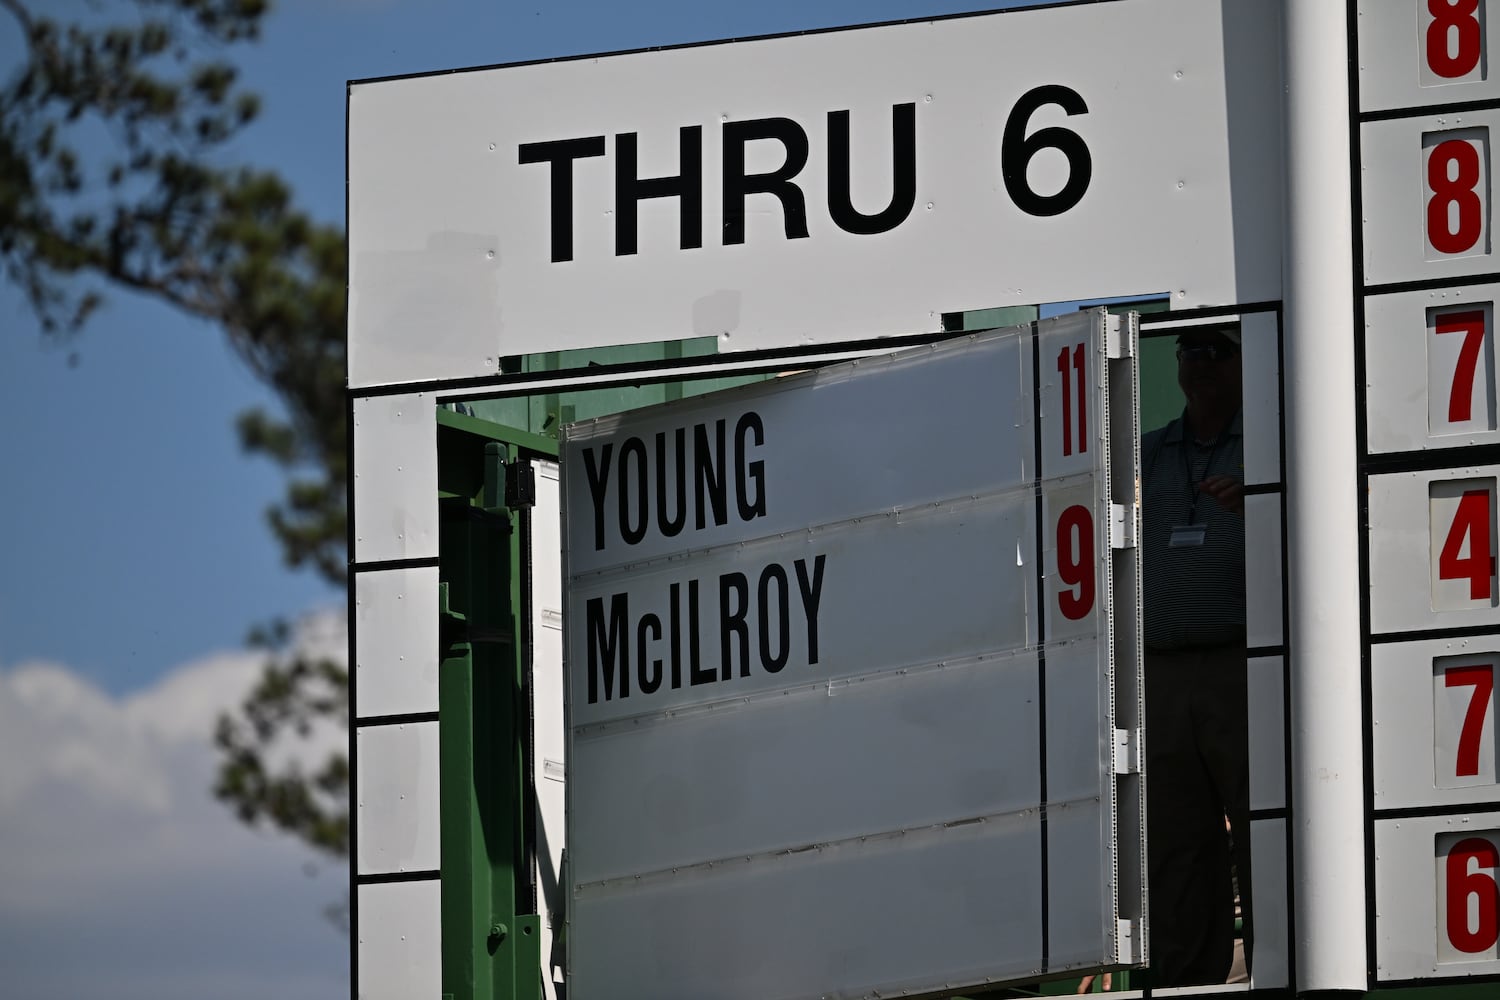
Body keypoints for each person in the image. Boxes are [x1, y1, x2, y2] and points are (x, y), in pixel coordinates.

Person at [1138, 324, 1252, 987]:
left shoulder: (1270, 444)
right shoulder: (1149, 453)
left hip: (1244, 664)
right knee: (1176, 842)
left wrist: (1262, 503)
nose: (1202, 363)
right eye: (1191, 350)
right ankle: (1186, 980)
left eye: (1219, 350)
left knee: (1262, 832)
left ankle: (1283, 965)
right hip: (1161, 673)